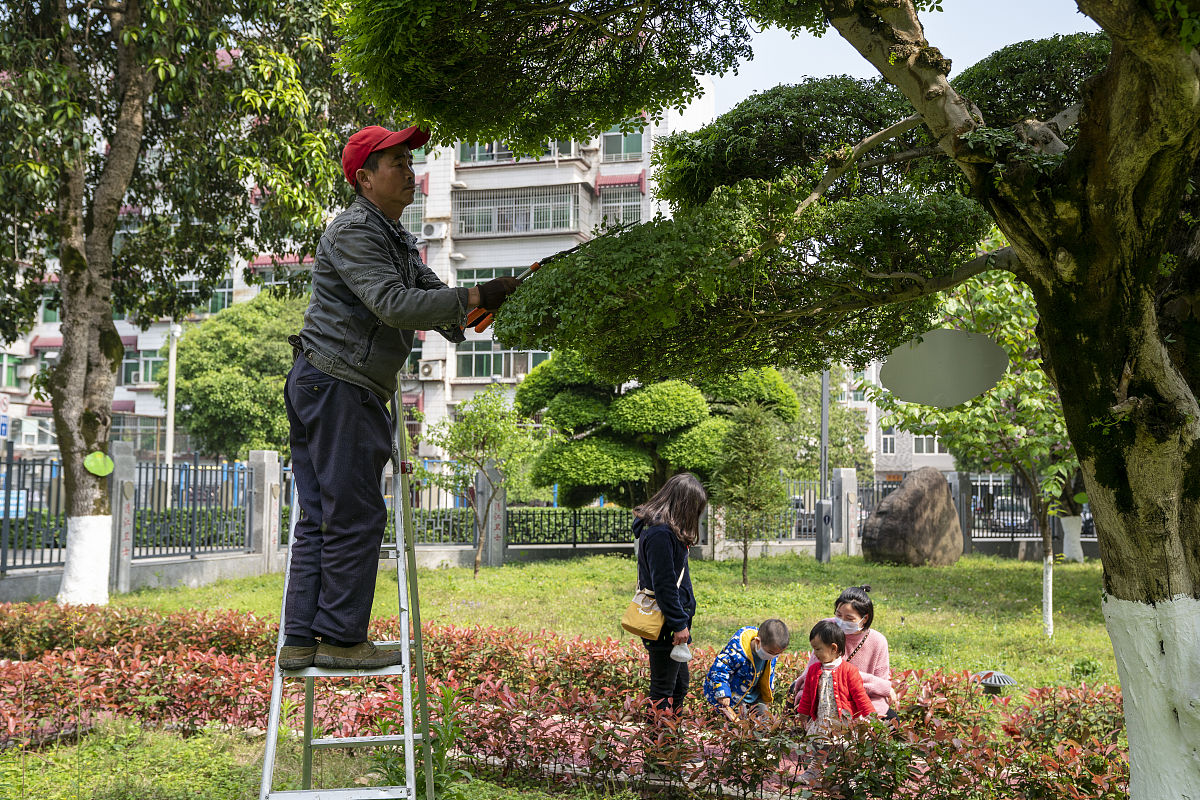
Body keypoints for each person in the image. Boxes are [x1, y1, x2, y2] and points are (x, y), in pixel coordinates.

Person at [278, 125, 520, 670]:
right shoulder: (355, 232)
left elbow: (433, 298)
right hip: (339, 386)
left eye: (411, 162)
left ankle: (300, 641)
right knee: (355, 515)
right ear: (364, 178)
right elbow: (393, 304)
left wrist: (489, 305)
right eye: (397, 163)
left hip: (330, 384)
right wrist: (478, 295)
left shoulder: (393, 238)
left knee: (323, 516)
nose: (410, 172)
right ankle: (341, 641)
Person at [632, 473, 707, 716]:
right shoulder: (660, 534)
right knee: (664, 689)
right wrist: (678, 624)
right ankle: (659, 748)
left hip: (673, 622)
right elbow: (664, 585)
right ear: (684, 504)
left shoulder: (665, 532)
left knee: (678, 686)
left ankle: (671, 746)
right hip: (666, 625)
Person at [792, 585, 896, 719]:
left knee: (891, 721)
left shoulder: (878, 641)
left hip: (859, 699)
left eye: (849, 618)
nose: (842, 622)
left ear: (864, 618)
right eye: (838, 615)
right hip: (825, 696)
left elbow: (878, 689)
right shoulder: (827, 628)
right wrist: (880, 685)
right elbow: (815, 673)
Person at [793, 619, 877, 730]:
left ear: (833, 648)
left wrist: (872, 717)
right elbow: (807, 695)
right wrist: (802, 714)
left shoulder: (849, 671)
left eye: (818, 649)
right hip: (821, 723)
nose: (815, 653)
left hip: (843, 725)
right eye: (813, 649)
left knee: (842, 746)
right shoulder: (813, 670)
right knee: (819, 745)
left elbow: (860, 696)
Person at [702, 619, 790, 722]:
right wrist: (723, 694)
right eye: (771, 652)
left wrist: (767, 697)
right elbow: (719, 670)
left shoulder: (771, 653)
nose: (773, 656)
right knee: (740, 724)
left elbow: (768, 675)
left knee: (765, 720)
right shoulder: (737, 652)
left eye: (777, 654)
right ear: (757, 641)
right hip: (735, 697)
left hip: (755, 696)